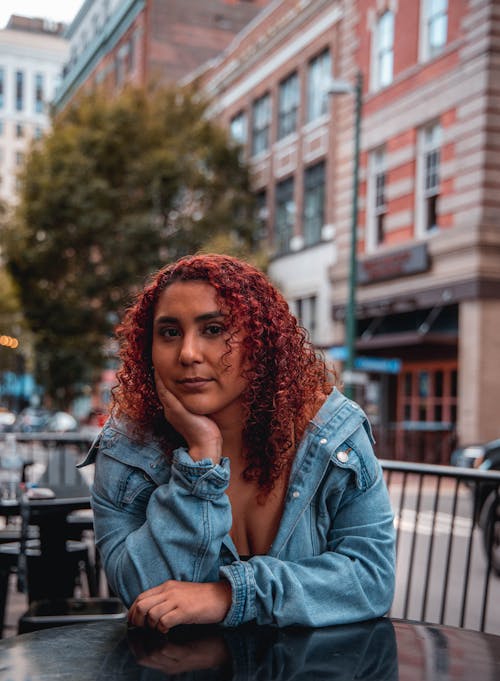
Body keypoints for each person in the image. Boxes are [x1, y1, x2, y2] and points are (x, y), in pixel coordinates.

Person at [83, 253, 395, 632]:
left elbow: (370, 579)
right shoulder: (127, 449)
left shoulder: (331, 434)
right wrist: (199, 463)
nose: (188, 353)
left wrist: (231, 595)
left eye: (213, 329)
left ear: (260, 343)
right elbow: (144, 595)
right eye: (169, 332)